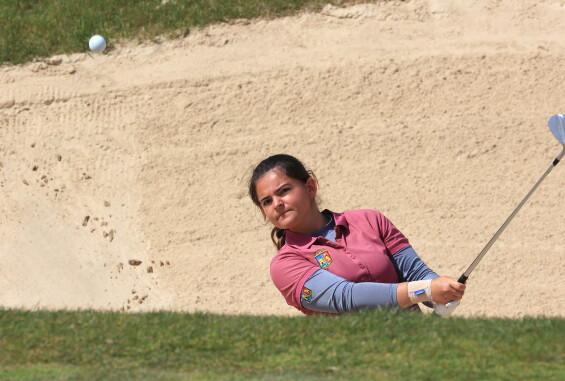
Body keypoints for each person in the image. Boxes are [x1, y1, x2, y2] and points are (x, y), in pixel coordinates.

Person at [248, 154, 465, 316]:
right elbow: (346, 298)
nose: (277, 204)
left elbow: (414, 271)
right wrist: (426, 290)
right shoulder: (285, 264)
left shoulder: (370, 220)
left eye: (284, 191)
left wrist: (441, 291)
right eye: (267, 201)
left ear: (310, 188)